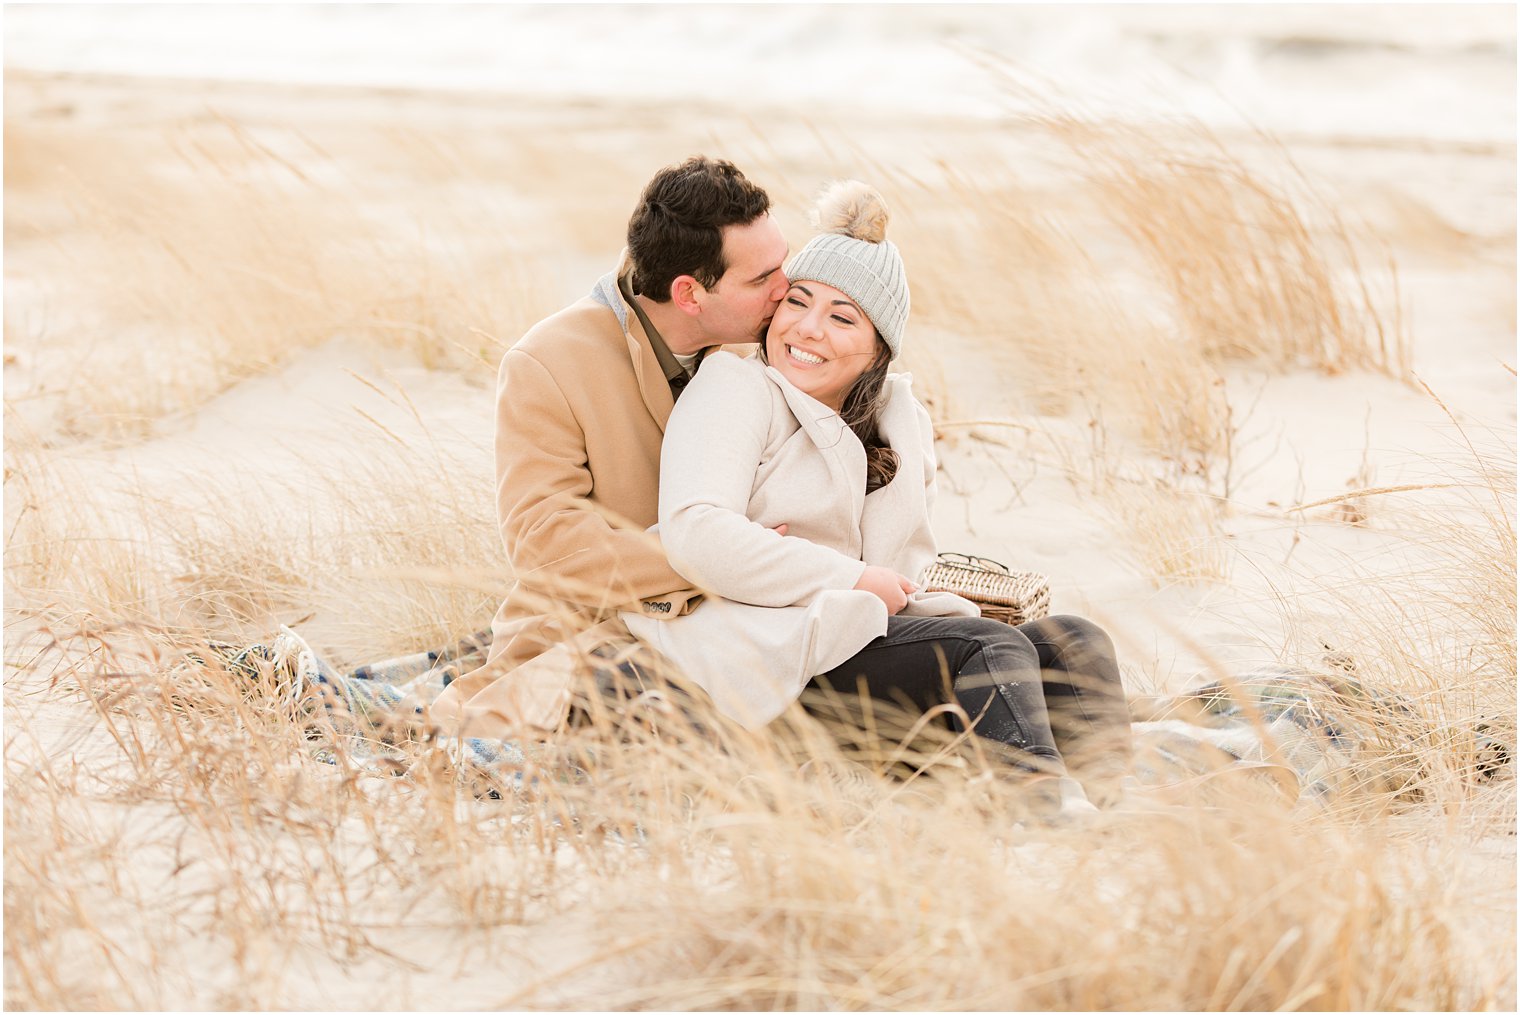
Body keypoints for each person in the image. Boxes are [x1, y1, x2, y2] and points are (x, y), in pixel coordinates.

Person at [622, 181, 1132, 817]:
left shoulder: (897, 419)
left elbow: (905, 570)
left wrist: (913, 597)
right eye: (797, 303)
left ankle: (1118, 807)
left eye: (842, 317)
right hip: (772, 655)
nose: (807, 329)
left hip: (858, 643)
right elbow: (696, 531)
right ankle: (1045, 817)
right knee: (989, 649)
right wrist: (855, 578)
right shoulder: (737, 388)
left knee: (1072, 641)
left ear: (878, 348)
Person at [429, 155, 789, 737]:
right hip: (592, 649)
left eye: (783, 266)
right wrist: (719, 554)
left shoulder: (765, 345)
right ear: (689, 293)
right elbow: (547, 546)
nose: (786, 290)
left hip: (742, 633)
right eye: (760, 279)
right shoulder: (547, 362)